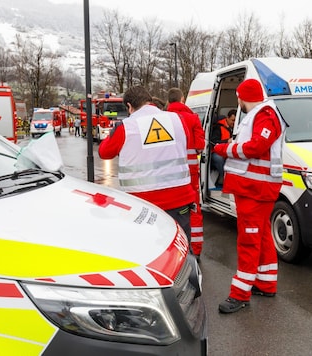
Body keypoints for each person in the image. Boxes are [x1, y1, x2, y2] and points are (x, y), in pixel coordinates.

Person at [212, 78, 286, 314]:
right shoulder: (262, 114)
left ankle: (240, 294)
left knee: (249, 239)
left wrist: (225, 148)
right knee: (261, 235)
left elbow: (255, 147)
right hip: (255, 188)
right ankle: (265, 282)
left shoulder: (264, 114)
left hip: (256, 189)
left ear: (241, 97)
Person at [98, 86, 196, 244]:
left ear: (129, 106)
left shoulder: (126, 127)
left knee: (149, 250)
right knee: (180, 248)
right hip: (179, 199)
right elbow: (187, 143)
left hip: (143, 204)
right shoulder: (178, 119)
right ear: (150, 100)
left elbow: (104, 152)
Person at [165, 87, 206, 260]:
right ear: (182, 99)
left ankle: (172, 250)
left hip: (169, 171)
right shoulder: (192, 118)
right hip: (190, 172)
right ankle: (194, 250)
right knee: (193, 209)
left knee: (172, 208)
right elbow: (200, 145)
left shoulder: (162, 119)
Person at [210, 109, 236, 187]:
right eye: (232, 120)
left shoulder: (236, 128)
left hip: (229, 151)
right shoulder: (218, 128)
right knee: (218, 158)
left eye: (235, 120)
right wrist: (227, 141)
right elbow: (213, 141)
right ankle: (225, 178)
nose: (234, 123)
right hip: (217, 151)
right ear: (227, 118)